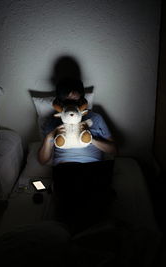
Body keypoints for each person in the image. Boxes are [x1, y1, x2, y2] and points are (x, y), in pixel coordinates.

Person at [37, 78, 118, 233]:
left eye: (76, 100)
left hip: (93, 170)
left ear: (82, 101)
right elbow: (42, 160)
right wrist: (49, 138)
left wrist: (90, 139)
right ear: (59, 103)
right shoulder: (52, 122)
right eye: (67, 101)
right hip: (66, 172)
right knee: (70, 211)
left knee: (96, 207)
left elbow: (114, 150)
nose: (71, 106)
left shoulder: (95, 118)